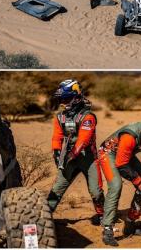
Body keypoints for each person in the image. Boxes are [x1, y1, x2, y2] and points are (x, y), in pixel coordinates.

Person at [46, 80, 105, 225]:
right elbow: (57, 136)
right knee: (56, 190)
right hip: (69, 158)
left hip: (88, 159)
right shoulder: (60, 117)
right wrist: (57, 152)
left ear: (76, 97)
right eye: (61, 99)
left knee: (96, 192)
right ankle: (44, 217)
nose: (62, 103)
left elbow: (83, 140)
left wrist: (72, 155)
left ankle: (103, 215)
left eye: (66, 99)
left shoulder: (88, 117)